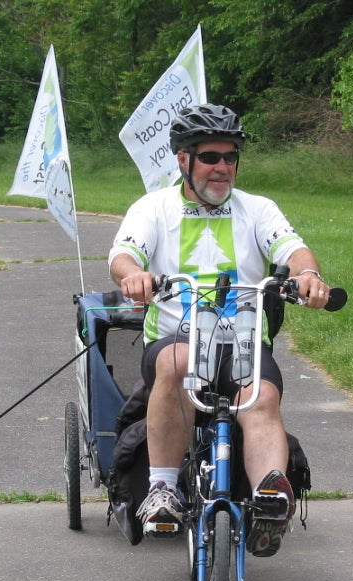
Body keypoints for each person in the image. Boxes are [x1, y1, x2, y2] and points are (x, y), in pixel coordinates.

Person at [108, 103, 332, 557]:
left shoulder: (257, 209)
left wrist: (308, 276)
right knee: (181, 362)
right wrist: (133, 276)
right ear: (183, 160)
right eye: (211, 157)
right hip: (176, 340)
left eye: (231, 157)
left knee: (263, 396)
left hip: (243, 343)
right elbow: (123, 256)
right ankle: (163, 491)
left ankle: (271, 500)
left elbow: (294, 249)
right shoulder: (153, 208)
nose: (223, 167)